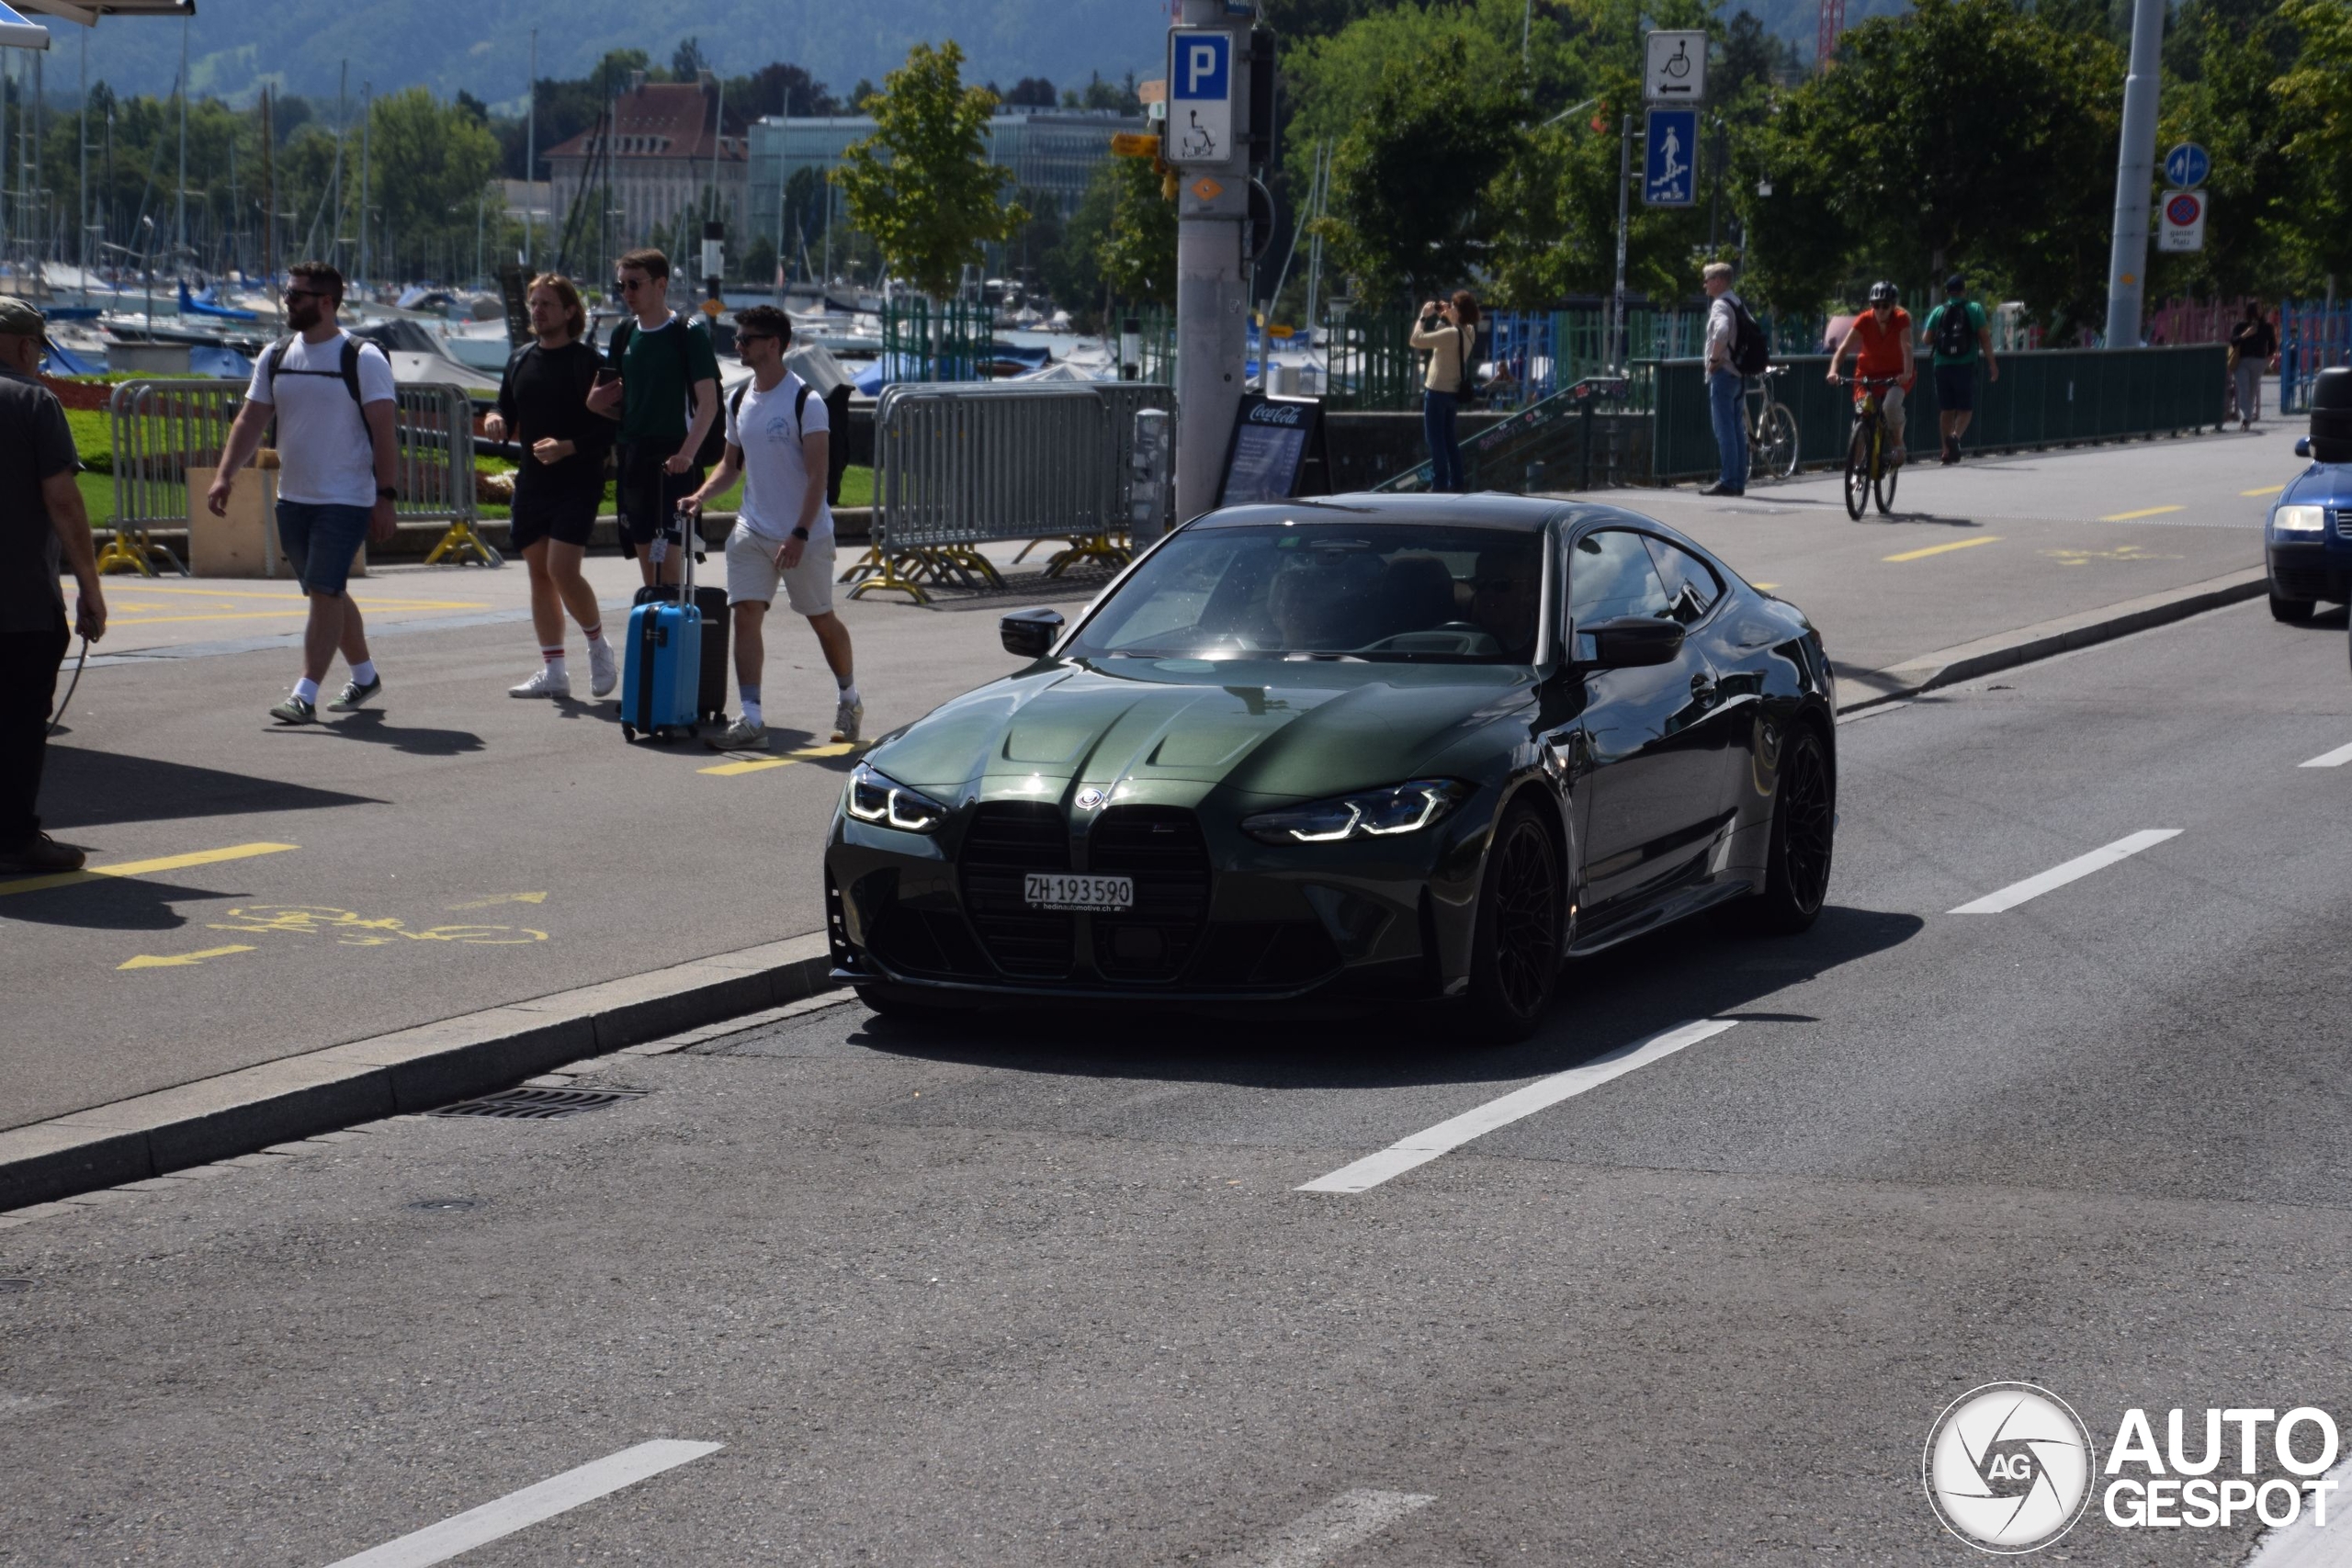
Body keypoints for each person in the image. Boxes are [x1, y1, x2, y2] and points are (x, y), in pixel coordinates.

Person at [207, 261, 398, 725]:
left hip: (347, 497)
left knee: (324, 589)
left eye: (297, 296)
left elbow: (384, 430)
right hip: (294, 497)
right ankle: (366, 675)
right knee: (324, 592)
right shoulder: (275, 355)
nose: (287, 303)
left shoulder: (362, 357)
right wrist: (225, 474)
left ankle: (304, 694)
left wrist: (386, 495)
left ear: (327, 303)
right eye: (288, 294)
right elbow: (251, 419)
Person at [678, 306, 863, 750]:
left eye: (747, 338)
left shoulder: (807, 402)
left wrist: (799, 533)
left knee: (821, 619)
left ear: (774, 344)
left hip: (804, 533)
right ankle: (753, 716)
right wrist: (701, 495)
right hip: (752, 529)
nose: (738, 344)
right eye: (738, 337)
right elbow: (730, 465)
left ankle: (849, 697)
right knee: (744, 615)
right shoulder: (739, 399)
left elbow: (817, 476)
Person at [0, 300, 107, 874]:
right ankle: (14, 840)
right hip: (18, 602)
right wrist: (90, 588)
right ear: (24, 347)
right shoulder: (32, 401)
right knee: (17, 725)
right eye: (39, 351)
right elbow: (63, 501)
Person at [485, 274, 617, 700]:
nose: (537, 311)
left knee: (562, 569)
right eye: (533, 304)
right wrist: (496, 418)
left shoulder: (589, 363)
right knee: (540, 575)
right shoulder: (520, 358)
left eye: (546, 304)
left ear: (570, 311)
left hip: (578, 480)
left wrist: (569, 447)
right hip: (533, 481)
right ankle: (554, 670)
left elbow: (613, 429)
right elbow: (504, 404)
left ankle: (598, 644)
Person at [585, 248, 721, 590]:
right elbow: (599, 400)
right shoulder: (623, 333)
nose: (627, 294)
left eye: (634, 284)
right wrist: (595, 402)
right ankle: (656, 634)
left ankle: (679, 636)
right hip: (634, 456)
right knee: (650, 571)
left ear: (660, 284)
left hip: (674, 458)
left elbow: (709, 404)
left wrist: (687, 454)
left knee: (670, 572)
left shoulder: (687, 332)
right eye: (621, 286)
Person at [1826, 281, 1916, 466]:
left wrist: (1906, 373)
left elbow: (1907, 348)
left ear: (1893, 306)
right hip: (1867, 375)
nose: (1880, 310)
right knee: (1862, 415)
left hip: (1896, 375)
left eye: (1885, 306)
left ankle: (1898, 444)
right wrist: (1833, 371)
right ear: (1871, 305)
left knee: (1890, 406)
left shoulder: (1901, 319)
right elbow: (1843, 349)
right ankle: (1857, 468)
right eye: (1876, 305)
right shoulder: (1865, 320)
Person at [1922, 275, 1999, 464]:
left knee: (1946, 409)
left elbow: (1926, 339)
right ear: (1964, 291)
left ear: (1947, 292)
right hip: (1965, 365)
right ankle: (1955, 437)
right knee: (1965, 409)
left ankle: (1945, 451)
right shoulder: (1974, 309)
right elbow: (1985, 339)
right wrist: (1992, 364)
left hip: (1942, 365)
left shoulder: (1939, 311)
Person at [1410, 291, 1479, 492]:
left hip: (1437, 391)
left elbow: (1416, 339)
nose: (1448, 307)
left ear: (1458, 311)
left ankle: (1439, 483)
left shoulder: (1450, 334)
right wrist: (1446, 318)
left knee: (1435, 440)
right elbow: (1453, 334)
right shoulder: (1469, 331)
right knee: (1449, 440)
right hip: (1452, 393)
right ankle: (1457, 482)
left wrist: (1423, 316)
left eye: (1452, 305)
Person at [1700, 262, 1747, 497]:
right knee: (1737, 428)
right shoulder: (1736, 302)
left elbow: (1721, 331)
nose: (1704, 284)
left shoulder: (1720, 305)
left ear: (1718, 281)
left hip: (1723, 374)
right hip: (1738, 373)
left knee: (1724, 429)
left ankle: (1728, 480)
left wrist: (1714, 359)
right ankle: (1738, 480)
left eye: (1707, 279)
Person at [2229, 302, 2276, 431]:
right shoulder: (2241, 326)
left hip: (2258, 362)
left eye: (2261, 308)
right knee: (2244, 389)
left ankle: (2246, 418)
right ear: (2250, 310)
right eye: (2257, 308)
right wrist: (2245, 335)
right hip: (2242, 361)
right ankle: (2246, 418)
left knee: (2252, 390)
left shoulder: (2267, 327)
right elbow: (2233, 341)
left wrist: (2269, 357)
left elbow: (2272, 344)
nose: (2260, 311)